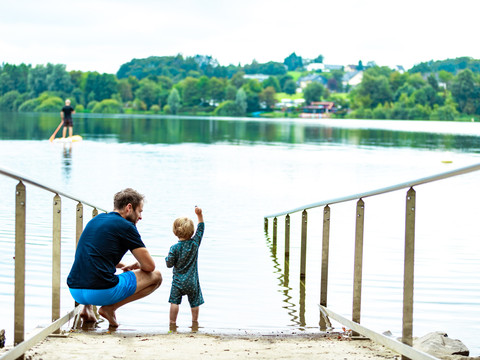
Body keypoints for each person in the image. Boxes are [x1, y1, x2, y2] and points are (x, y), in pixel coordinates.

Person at [67, 188, 162, 327]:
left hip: (75, 290)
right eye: (140, 211)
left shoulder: (96, 219)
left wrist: (123, 264)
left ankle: (87, 309)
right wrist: (138, 265)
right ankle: (110, 308)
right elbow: (150, 267)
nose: (140, 217)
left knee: (92, 270)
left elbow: (97, 254)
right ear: (129, 207)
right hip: (100, 292)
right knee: (156, 277)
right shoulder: (127, 226)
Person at [165, 206, 205, 330]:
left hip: (178, 282)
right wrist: (199, 215)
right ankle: (195, 323)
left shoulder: (174, 248)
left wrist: (167, 258)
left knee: (174, 302)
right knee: (194, 302)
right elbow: (201, 229)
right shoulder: (195, 244)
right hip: (192, 282)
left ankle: (172, 323)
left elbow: (169, 264)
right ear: (191, 232)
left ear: (175, 232)